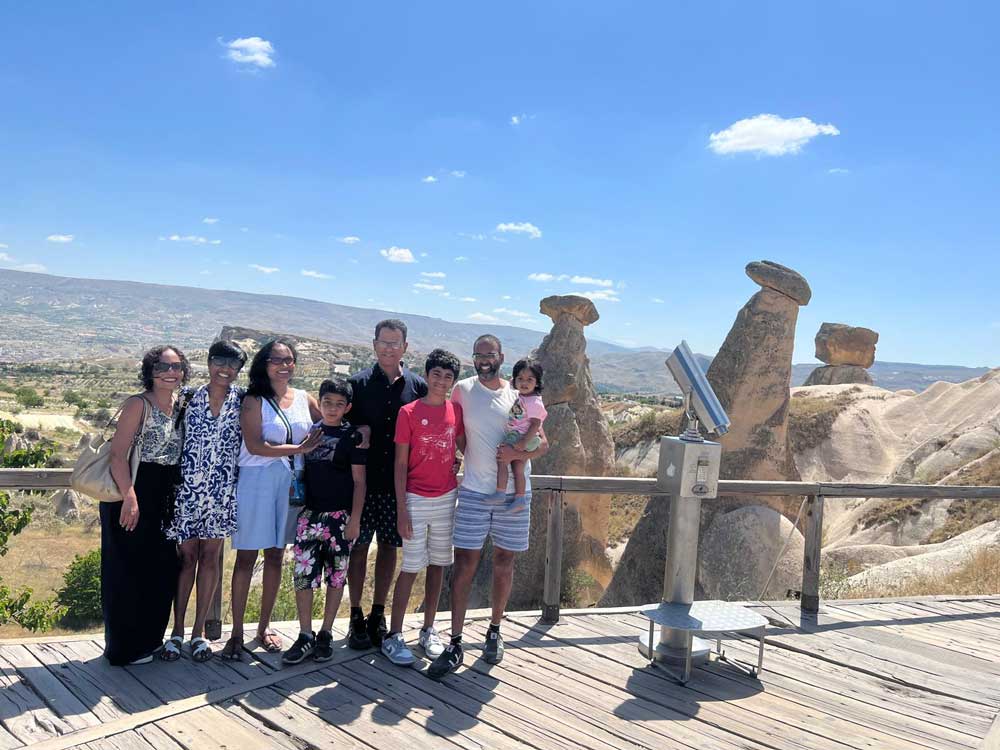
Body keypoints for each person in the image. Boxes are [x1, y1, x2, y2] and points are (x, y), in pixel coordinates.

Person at [428, 334, 548, 680]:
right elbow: (455, 432)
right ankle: (455, 641)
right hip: (475, 491)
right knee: (464, 564)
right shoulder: (462, 390)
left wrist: (516, 455)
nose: (484, 359)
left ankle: (495, 630)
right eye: (479, 354)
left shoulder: (520, 392)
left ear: (501, 357)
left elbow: (543, 445)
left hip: (514, 494)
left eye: (490, 354)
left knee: (504, 562)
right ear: (474, 357)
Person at [222, 338, 323, 660]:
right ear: (263, 364)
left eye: (289, 360)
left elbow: (330, 425)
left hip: (291, 485)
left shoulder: (305, 399)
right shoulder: (254, 400)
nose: (284, 365)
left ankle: (263, 627)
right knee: (246, 558)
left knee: (277, 556)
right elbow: (255, 446)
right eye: (277, 360)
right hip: (257, 483)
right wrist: (300, 450)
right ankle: (236, 632)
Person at [103, 345, 188, 665]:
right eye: (163, 366)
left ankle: (150, 640)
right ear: (149, 371)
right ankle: (124, 649)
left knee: (163, 568)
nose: (170, 372)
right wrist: (129, 497)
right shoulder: (138, 404)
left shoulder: (181, 404)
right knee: (127, 570)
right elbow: (117, 455)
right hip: (133, 493)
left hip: (165, 497)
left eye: (177, 366)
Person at [163, 340, 247, 663]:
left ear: (238, 370)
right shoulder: (187, 398)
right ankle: (177, 631)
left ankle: (199, 633)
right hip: (187, 491)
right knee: (186, 559)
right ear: (209, 362)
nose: (225, 370)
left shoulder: (243, 402)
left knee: (211, 558)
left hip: (221, 493)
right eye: (220, 362)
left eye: (232, 365)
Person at [346, 319, 427, 649]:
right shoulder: (357, 384)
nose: (389, 348)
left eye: (395, 343)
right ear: (374, 343)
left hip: (399, 486)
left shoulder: (418, 387)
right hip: (363, 483)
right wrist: (359, 430)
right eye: (383, 342)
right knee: (359, 549)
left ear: (405, 348)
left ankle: (378, 613)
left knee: (390, 549)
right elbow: (343, 429)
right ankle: (355, 615)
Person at [381, 349, 464, 666]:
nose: (441, 381)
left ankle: (429, 629)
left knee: (439, 565)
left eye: (448, 376)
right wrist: (402, 509)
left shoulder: (455, 411)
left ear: (453, 381)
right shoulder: (409, 412)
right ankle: (395, 634)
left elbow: (460, 447)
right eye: (436, 374)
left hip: (446, 498)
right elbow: (400, 464)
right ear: (427, 375)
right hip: (415, 498)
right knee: (411, 566)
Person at [282, 379, 367, 665]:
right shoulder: (310, 432)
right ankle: (305, 633)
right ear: (320, 402)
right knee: (304, 577)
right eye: (327, 402)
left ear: (348, 408)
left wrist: (355, 519)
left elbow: (359, 481)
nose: (332, 409)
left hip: (340, 518)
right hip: (310, 514)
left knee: (335, 577)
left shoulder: (352, 437)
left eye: (339, 404)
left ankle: (326, 632)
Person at [494, 358, 547, 513]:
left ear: (537, 382)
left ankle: (502, 493)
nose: (524, 383)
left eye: (529, 379)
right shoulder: (523, 397)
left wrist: (523, 443)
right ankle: (516, 497)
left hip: (522, 438)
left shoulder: (534, 402)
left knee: (504, 460)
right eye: (520, 379)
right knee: (515, 468)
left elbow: (536, 424)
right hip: (517, 436)